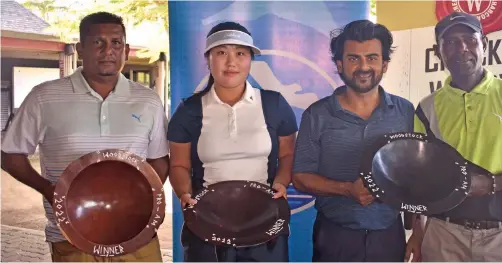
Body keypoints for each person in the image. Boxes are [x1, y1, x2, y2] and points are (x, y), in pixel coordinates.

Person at [0, 12, 169, 262]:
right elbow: (10, 155)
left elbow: (159, 160)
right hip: (72, 237)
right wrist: (48, 189)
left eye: (116, 43)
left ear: (126, 49)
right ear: (80, 49)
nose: (107, 50)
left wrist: (141, 197)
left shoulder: (148, 100)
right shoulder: (44, 97)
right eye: (97, 42)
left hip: (137, 237)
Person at [413, 12, 502, 261]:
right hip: (442, 235)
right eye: (450, 42)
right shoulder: (426, 108)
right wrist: (417, 233)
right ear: (439, 53)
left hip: (500, 238)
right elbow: (417, 177)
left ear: (484, 45)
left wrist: (491, 184)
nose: (462, 48)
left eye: (469, 39)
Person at [291, 20, 422, 262]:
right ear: (339, 65)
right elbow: (300, 177)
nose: (364, 66)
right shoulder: (317, 114)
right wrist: (347, 189)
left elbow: (413, 175)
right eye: (353, 59)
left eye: (372, 58)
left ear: (384, 64)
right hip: (334, 236)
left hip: (388, 235)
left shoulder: (405, 111)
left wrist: (417, 232)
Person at [167, 21, 298, 262]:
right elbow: (179, 165)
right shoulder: (189, 111)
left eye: (240, 53)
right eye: (221, 53)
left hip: (264, 220)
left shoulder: (274, 104)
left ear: (250, 60)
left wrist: (281, 181)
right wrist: (184, 193)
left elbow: (288, 154)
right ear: (208, 59)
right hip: (207, 223)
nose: (231, 62)